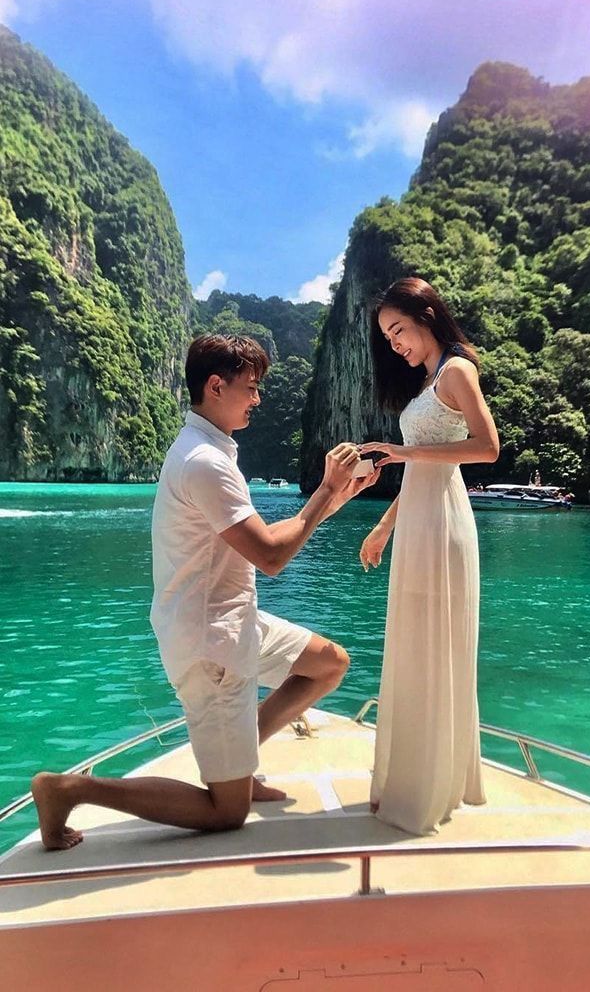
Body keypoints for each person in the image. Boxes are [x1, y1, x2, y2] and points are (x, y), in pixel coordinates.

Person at [32, 334, 377, 850]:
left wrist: (337, 499)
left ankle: (240, 757)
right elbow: (271, 556)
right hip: (209, 640)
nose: (258, 400)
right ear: (216, 386)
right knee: (227, 812)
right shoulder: (205, 463)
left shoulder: (210, 451)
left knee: (328, 663)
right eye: (251, 388)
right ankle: (69, 790)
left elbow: (263, 540)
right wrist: (325, 489)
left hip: (234, 620)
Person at [358, 278, 499, 835]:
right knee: (414, 644)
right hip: (418, 520)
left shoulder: (458, 370)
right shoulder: (426, 382)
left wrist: (399, 451)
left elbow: (487, 449)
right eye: (386, 336)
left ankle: (428, 788)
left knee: (433, 645)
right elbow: (419, 469)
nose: (394, 342)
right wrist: (384, 526)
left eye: (398, 329)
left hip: (443, 524)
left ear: (426, 315)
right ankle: (410, 777)